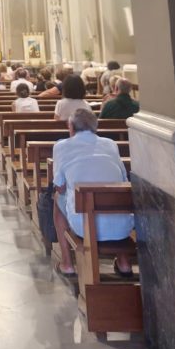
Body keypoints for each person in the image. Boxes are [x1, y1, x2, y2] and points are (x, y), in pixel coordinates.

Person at [52, 108, 134, 277]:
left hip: (85, 226)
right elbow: (123, 178)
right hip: (123, 227)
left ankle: (67, 263)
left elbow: (59, 187)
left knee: (57, 199)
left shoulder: (61, 146)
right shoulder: (110, 144)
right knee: (115, 194)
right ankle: (124, 262)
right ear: (95, 127)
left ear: (71, 128)